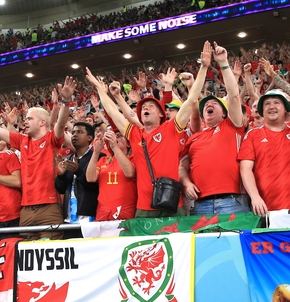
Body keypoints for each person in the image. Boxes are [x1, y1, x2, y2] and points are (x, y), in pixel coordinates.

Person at [86, 42, 210, 218]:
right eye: (144, 107)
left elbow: (190, 101)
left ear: (161, 114)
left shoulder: (171, 128)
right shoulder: (135, 133)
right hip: (144, 207)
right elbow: (114, 113)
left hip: (173, 203)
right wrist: (100, 89)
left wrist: (204, 68)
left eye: (152, 106)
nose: (146, 109)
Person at [0, 77, 73, 240]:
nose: (25, 121)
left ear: (42, 123)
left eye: (29, 118)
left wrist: (66, 101)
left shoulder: (51, 139)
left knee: (49, 256)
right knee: (24, 258)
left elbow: (60, 124)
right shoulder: (22, 140)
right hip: (25, 210)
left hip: (49, 207)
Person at [180, 42, 248, 215]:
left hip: (233, 201)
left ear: (225, 114)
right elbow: (182, 167)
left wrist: (223, 63)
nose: (209, 104)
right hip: (200, 205)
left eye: (214, 103)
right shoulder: (194, 137)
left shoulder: (232, 126)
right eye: (206, 104)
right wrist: (186, 183)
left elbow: (233, 96)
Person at [238, 90, 290, 215]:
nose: (271, 106)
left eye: (277, 103)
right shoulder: (252, 135)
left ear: (285, 109)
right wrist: (255, 197)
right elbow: (245, 169)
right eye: (267, 104)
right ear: (262, 111)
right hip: (266, 207)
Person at [86, 127, 137, 221]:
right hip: (103, 211)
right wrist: (96, 152)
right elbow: (90, 178)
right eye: (113, 136)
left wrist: (115, 147)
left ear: (128, 143)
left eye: (119, 136)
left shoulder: (134, 159)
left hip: (127, 211)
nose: (115, 138)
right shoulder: (103, 160)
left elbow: (130, 173)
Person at [56, 122, 99, 222]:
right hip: (68, 217)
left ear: (89, 138)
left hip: (89, 216)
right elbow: (61, 189)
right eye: (73, 132)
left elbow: (95, 186)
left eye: (80, 132)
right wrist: (61, 175)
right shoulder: (68, 159)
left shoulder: (97, 157)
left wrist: (77, 171)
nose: (74, 135)